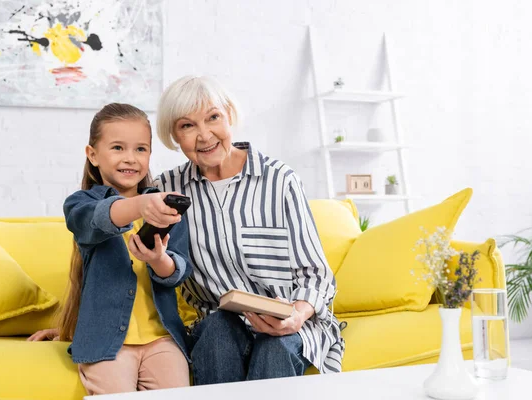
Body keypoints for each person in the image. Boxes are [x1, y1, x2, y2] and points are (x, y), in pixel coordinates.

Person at [154, 75, 344, 384]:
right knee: (217, 332)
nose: (204, 136)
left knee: (274, 348)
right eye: (187, 126)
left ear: (228, 115)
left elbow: (316, 275)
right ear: (174, 136)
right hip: (220, 324)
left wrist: (296, 314)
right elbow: (126, 254)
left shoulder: (280, 180)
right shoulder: (168, 190)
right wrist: (76, 323)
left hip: (289, 322)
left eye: (213, 117)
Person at [28, 103, 192, 395]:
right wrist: (141, 205)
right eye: (118, 148)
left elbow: (177, 271)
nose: (131, 158)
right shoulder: (80, 204)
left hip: (162, 340)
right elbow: (101, 218)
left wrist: (158, 260)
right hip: (105, 343)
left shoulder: (165, 210)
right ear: (93, 155)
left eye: (141, 149)